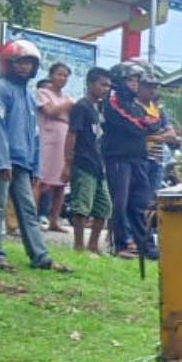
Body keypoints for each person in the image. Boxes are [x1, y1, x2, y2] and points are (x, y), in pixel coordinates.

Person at [0, 39, 66, 271]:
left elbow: (34, 134)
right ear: (8, 63)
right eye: (20, 62)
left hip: (23, 163)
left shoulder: (28, 95)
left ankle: (40, 257)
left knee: (29, 210)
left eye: (29, 63)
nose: (25, 67)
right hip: (1, 162)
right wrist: (1, 161)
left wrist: (35, 167)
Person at [101, 61, 160, 259]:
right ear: (120, 80)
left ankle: (146, 246)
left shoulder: (136, 105)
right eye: (131, 79)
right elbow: (135, 125)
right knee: (120, 203)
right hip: (119, 158)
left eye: (136, 79)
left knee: (141, 203)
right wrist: (146, 126)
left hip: (139, 158)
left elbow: (154, 123)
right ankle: (121, 244)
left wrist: (146, 126)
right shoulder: (112, 101)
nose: (135, 83)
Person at [63, 67, 112, 253]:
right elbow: (72, 134)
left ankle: (93, 245)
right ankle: (78, 245)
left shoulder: (99, 108)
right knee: (81, 206)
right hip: (83, 162)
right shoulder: (81, 107)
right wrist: (67, 162)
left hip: (99, 165)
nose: (106, 89)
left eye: (108, 85)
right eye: (102, 84)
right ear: (90, 84)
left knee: (104, 206)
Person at [34, 63, 74, 231]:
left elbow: (67, 117)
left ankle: (54, 221)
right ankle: (31, 218)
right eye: (59, 74)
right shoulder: (42, 93)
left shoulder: (66, 98)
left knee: (60, 184)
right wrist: (67, 105)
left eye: (65, 76)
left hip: (63, 140)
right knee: (41, 181)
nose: (62, 78)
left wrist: (64, 108)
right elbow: (50, 111)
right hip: (48, 140)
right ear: (51, 75)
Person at [137, 72, 179, 192]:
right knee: (138, 198)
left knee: (153, 198)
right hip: (141, 158)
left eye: (155, 87)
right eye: (149, 86)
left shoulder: (159, 110)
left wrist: (153, 136)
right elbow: (137, 134)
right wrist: (160, 133)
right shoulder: (133, 107)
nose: (152, 90)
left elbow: (172, 136)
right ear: (140, 86)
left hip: (157, 160)